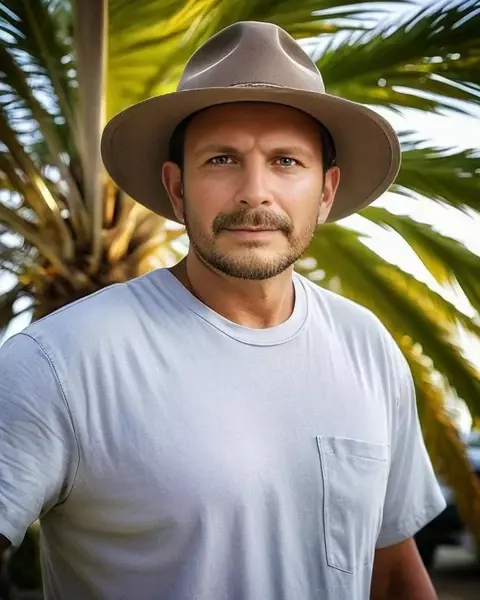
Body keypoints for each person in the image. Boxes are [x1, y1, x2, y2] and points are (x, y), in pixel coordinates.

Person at [0, 20, 445, 600]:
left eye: (286, 161)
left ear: (326, 191)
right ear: (177, 188)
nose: (254, 192)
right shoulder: (59, 361)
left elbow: (391, 571)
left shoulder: (367, 346)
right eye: (221, 159)